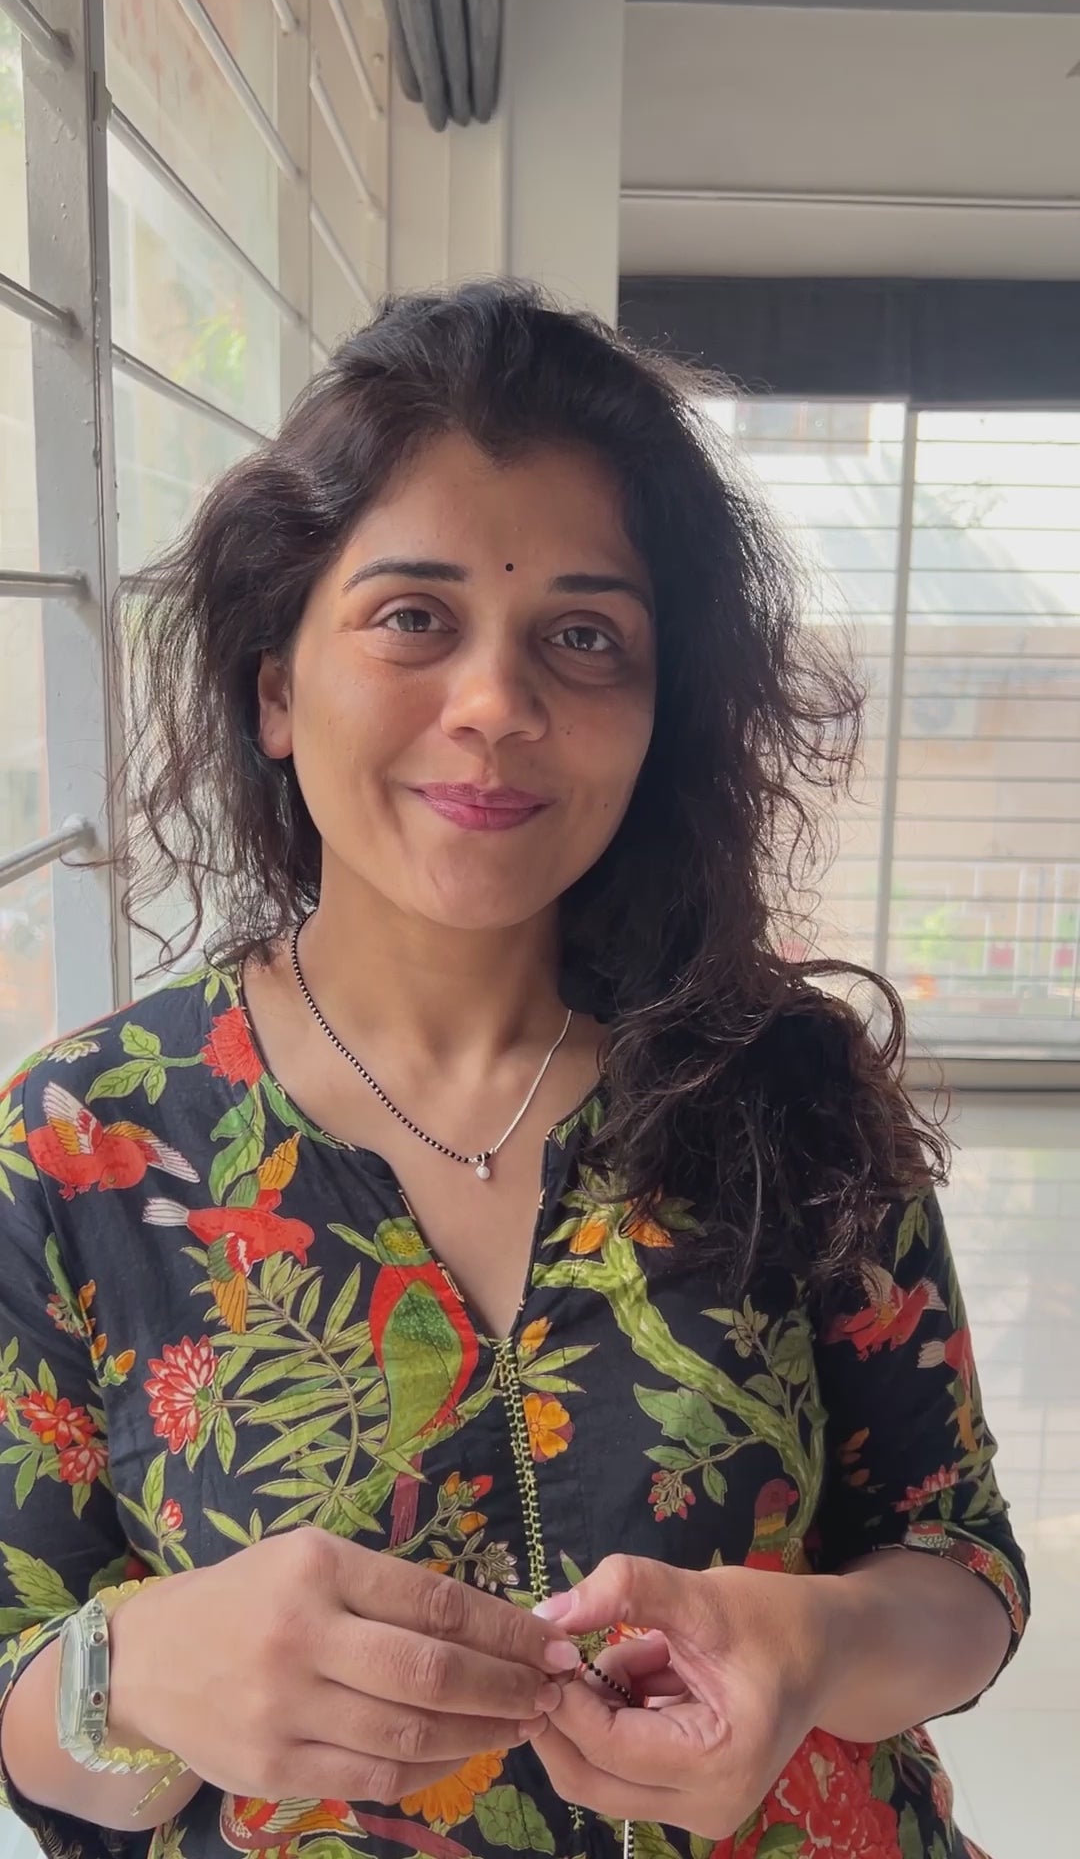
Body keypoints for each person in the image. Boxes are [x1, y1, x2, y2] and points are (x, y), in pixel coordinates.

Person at [0, 282, 1027, 1859]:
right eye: (413, 617)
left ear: (655, 710)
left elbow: (958, 1565)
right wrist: (126, 1680)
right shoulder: (77, 1150)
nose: (496, 706)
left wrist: (815, 1645)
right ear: (278, 685)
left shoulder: (782, 1086)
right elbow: (25, 1682)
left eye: (583, 637)